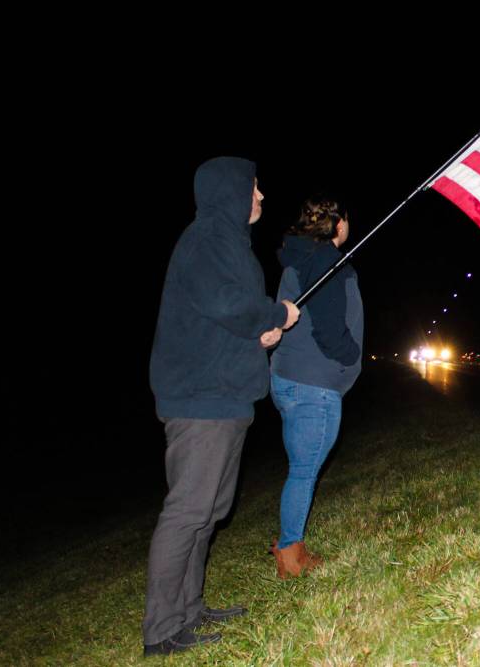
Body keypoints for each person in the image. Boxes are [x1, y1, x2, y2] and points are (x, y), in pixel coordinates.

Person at [144, 156, 300, 656]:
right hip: (201, 401)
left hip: (227, 397)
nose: (260, 197)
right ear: (230, 190)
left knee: (209, 512)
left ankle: (189, 609)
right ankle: (163, 629)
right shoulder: (207, 238)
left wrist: (263, 335)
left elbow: (226, 320)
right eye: (254, 188)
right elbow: (229, 305)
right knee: (188, 510)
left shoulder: (230, 245)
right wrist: (277, 312)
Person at [269, 193, 363, 578]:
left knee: (300, 467)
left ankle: (290, 543)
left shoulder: (300, 256)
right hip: (313, 385)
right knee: (305, 470)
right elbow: (328, 328)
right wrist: (350, 354)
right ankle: (290, 554)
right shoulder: (324, 259)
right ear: (339, 224)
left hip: (289, 380)